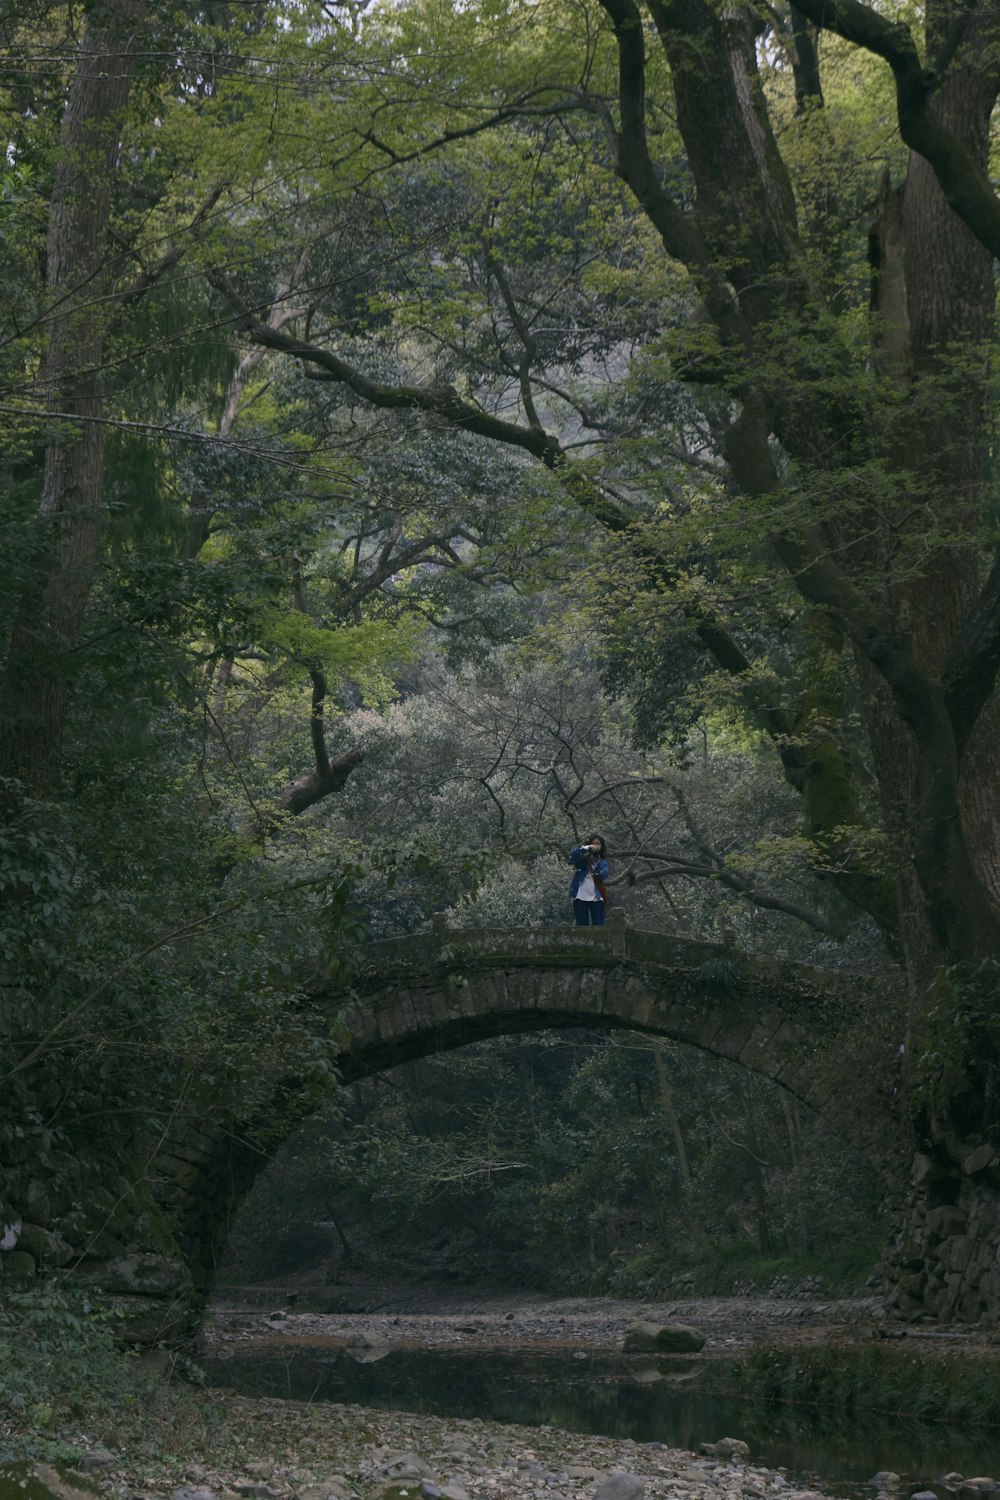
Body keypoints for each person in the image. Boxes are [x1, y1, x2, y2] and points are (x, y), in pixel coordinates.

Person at [569, 835, 609, 926]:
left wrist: (597, 865)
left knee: (599, 925)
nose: (595, 846)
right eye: (593, 844)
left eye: (598, 844)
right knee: (581, 926)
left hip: (597, 897)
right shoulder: (582, 860)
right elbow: (572, 855)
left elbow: (603, 875)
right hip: (580, 895)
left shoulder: (603, 863)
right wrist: (586, 848)